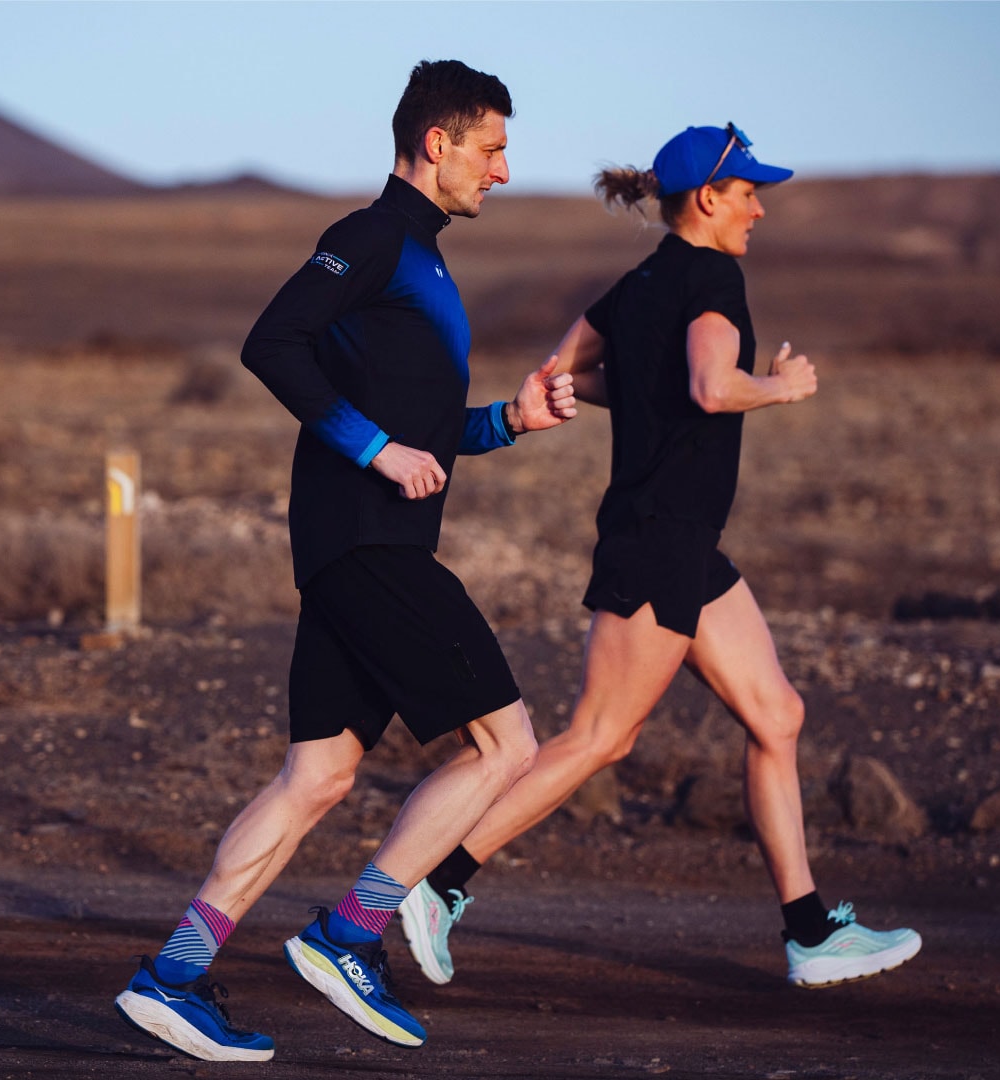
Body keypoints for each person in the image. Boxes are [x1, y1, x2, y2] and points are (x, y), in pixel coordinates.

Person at [113, 59, 577, 1061]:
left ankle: (173, 975)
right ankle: (349, 935)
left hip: (358, 548)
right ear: (438, 143)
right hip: (368, 548)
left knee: (318, 776)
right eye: (491, 149)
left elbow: (421, 430)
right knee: (507, 748)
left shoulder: (426, 259)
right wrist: (372, 449)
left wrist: (509, 420)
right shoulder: (370, 239)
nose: (503, 169)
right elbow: (271, 343)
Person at [398, 123, 922, 991]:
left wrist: (635, 394)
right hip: (659, 540)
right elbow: (715, 387)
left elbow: (559, 374)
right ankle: (437, 882)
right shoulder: (715, 275)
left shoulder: (637, 286)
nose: (759, 207)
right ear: (708, 198)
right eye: (749, 191)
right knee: (602, 736)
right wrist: (779, 388)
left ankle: (809, 931)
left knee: (778, 716)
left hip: (683, 543)